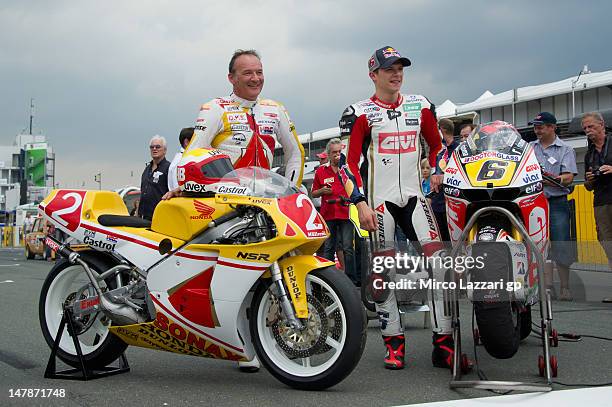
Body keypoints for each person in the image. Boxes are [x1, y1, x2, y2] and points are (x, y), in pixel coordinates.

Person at [340, 46, 455, 370]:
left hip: (415, 197)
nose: (397, 73)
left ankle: (443, 342)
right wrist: (359, 203)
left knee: (440, 264)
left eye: (400, 67)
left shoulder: (420, 105)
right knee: (383, 273)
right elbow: (347, 165)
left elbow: (437, 146)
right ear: (373, 74)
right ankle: (394, 342)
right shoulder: (359, 112)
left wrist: (437, 169)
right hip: (379, 202)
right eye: (389, 68)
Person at [187, 49, 304, 186]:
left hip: (265, 199)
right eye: (248, 73)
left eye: (259, 72)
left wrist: (292, 190)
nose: (255, 79)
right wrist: (185, 187)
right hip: (226, 199)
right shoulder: (215, 108)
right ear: (231, 78)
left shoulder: (276, 109)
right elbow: (193, 153)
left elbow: (296, 152)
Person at [529, 112, 577, 301]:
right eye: (535, 127)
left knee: (561, 243)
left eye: (540, 126)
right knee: (534, 244)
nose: (537, 130)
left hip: (556, 201)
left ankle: (565, 287)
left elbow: (569, 177)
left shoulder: (565, 149)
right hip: (534, 202)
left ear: (552, 127)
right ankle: (538, 286)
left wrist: (555, 179)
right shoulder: (529, 148)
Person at [312, 139, 358, 284]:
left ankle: (351, 279)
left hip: (345, 213)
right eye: (334, 153)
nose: (337, 155)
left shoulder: (347, 169)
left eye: (339, 152)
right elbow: (313, 193)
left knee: (347, 247)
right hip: (329, 213)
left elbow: (355, 188)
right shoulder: (321, 170)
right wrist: (322, 191)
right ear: (329, 154)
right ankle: (329, 280)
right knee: (329, 248)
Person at [582, 112, 612, 302]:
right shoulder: (589, 154)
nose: (587, 131)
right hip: (601, 202)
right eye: (585, 128)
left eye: (591, 127)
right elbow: (587, 186)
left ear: (602, 125)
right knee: (608, 244)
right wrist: (589, 180)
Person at [431, 118, 459, 244]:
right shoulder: (437, 149)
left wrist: (445, 176)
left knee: (454, 240)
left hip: (453, 201)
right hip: (437, 201)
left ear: (443, 130)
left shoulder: (459, 149)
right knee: (441, 240)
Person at [138, 135, 170, 221]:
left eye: (158, 147)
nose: (154, 149)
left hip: (160, 217)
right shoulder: (147, 168)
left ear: (165, 150)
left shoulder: (169, 168)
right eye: (152, 147)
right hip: (142, 217)